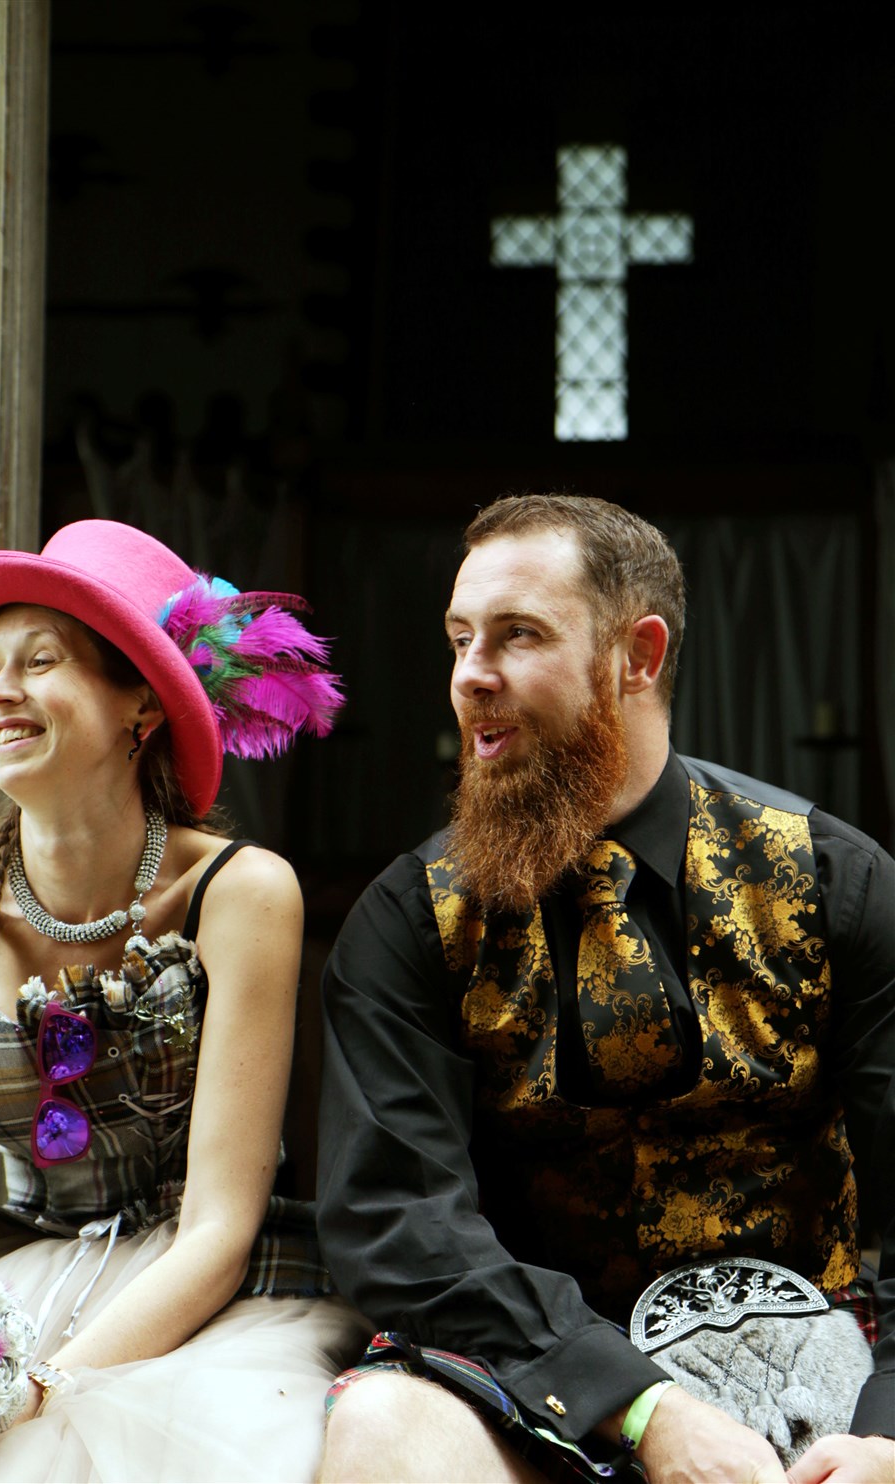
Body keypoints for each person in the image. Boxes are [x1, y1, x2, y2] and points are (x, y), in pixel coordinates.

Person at [316, 494, 894, 1484]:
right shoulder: (409, 919)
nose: (470, 677)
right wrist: (635, 1400)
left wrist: (887, 1434)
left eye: (517, 635)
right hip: (539, 1404)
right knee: (382, 1429)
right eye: (459, 640)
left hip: (831, 1389)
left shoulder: (837, 881)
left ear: (639, 653)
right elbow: (399, 1222)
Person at [0, 519, 367, 1484]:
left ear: (140, 706)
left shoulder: (239, 894)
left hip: (207, 1303)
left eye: (41, 660)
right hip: (5, 1276)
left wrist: (31, 1393)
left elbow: (217, 1231)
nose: (0, 693)